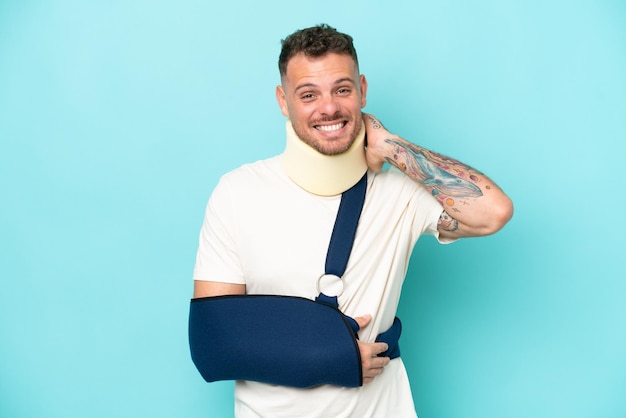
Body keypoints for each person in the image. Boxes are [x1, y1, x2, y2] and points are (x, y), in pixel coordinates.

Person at [191, 24, 513, 418]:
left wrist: (388, 144)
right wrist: (330, 358)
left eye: (342, 90)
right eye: (308, 95)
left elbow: (493, 211)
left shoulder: (401, 195)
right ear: (282, 100)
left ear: (362, 89)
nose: (328, 108)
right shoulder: (238, 192)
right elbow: (214, 339)